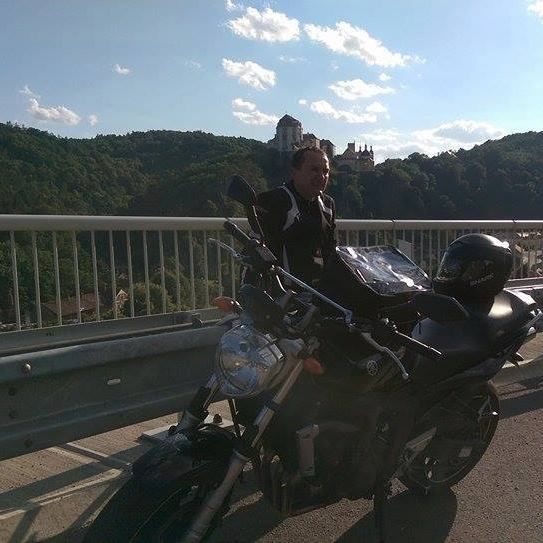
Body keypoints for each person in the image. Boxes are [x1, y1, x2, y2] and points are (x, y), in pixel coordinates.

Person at [256, 146, 336, 286]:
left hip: (319, 292)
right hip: (283, 291)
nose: (321, 176)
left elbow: (331, 250)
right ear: (294, 172)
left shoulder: (328, 204)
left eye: (325, 171)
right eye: (314, 169)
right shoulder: (274, 201)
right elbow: (255, 250)